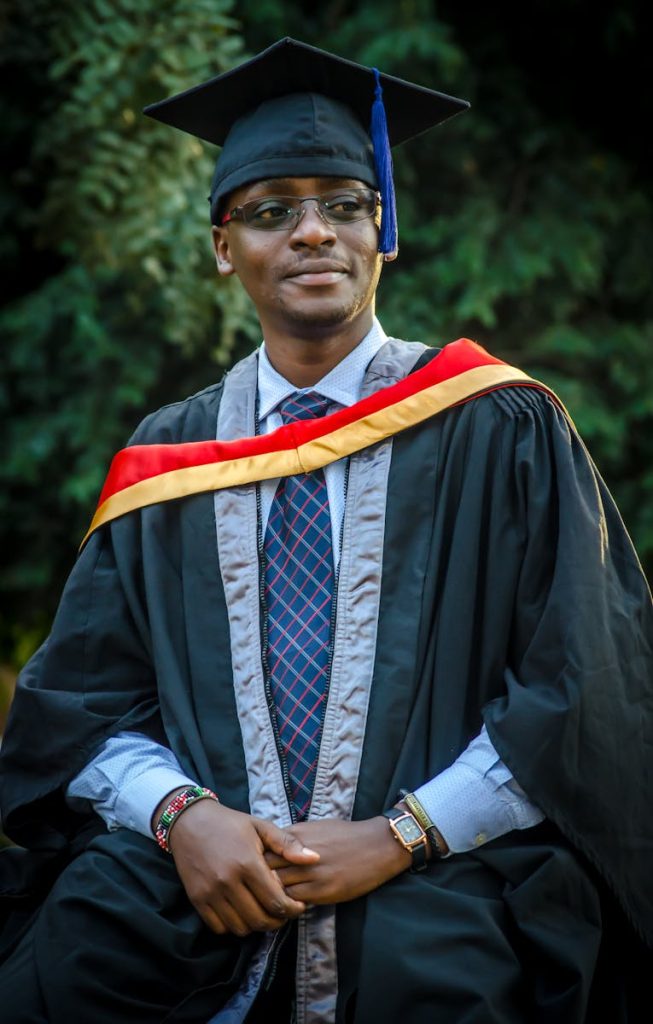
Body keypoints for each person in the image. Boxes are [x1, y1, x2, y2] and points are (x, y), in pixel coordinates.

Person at [0, 36, 651, 1024]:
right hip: (192, 890)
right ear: (224, 247)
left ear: (380, 231)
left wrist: (400, 835)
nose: (312, 233)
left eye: (343, 205)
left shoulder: (497, 427)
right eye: (271, 212)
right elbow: (82, 706)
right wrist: (183, 819)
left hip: (441, 881)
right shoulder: (166, 460)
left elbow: (584, 691)